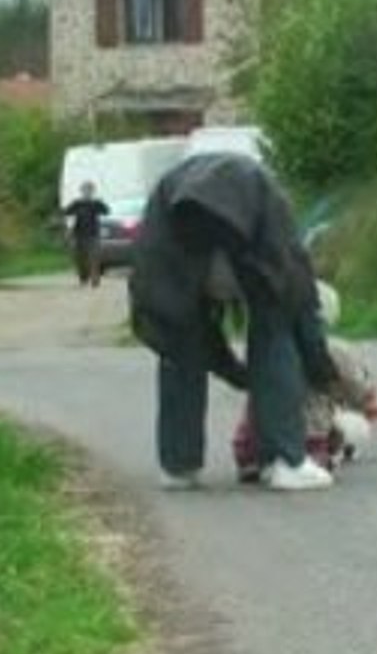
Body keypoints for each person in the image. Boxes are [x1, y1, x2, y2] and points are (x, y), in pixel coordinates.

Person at [129, 153, 340, 492]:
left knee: (179, 347)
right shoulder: (277, 216)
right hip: (236, 220)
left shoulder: (176, 198)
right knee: (276, 329)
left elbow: (184, 333)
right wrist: (324, 376)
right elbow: (303, 320)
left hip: (173, 232)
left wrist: (236, 374)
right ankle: (286, 462)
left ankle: (178, 467)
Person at [232, 281, 377, 482]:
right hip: (306, 437)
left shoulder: (263, 349)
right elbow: (362, 392)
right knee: (349, 424)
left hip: (254, 439)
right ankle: (317, 456)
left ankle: (251, 460)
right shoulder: (335, 351)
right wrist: (368, 405)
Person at [63, 181, 110, 287]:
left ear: (92, 191)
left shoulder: (96, 203)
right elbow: (66, 212)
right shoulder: (77, 203)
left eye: (89, 190)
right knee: (80, 258)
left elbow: (106, 211)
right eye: (85, 190)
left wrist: (102, 204)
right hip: (79, 235)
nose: (87, 192)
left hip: (93, 234)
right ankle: (83, 277)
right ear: (81, 191)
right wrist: (67, 229)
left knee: (94, 258)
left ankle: (95, 280)